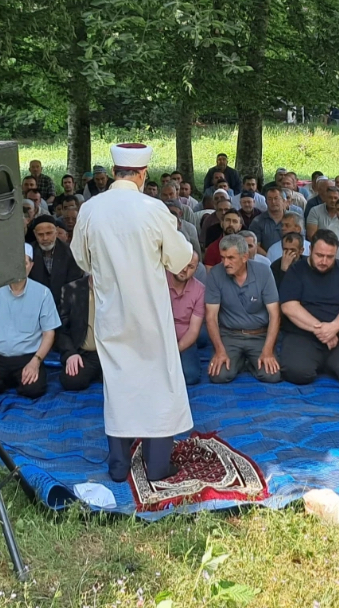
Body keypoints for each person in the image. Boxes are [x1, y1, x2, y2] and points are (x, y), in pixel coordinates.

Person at [70, 143, 197, 482]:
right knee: (159, 385)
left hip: (111, 312)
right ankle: (158, 466)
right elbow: (180, 258)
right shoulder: (153, 209)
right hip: (151, 314)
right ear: (142, 174)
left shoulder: (90, 209)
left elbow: (81, 259)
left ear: (114, 172)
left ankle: (118, 465)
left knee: (118, 386)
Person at [277, 230, 339, 387]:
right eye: (319, 255)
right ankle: (324, 362)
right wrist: (321, 330)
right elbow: (288, 306)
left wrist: (334, 327)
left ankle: (330, 363)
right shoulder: (296, 271)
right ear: (310, 250)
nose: (324, 261)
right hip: (303, 334)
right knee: (297, 373)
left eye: (330, 257)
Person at [0, 244, 60, 399]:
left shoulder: (43, 293)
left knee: (34, 390)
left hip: (28, 357)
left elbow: (49, 333)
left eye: (24, 263)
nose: (18, 269)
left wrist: (35, 362)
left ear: (31, 266)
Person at [205, 235, 281, 384]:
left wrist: (268, 351)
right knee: (219, 376)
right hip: (229, 335)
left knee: (271, 376)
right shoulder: (215, 274)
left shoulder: (264, 272)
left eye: (231, 258)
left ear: (245, 257)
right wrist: (219, 350)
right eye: (223, 258)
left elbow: (275, 315)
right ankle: (240, 361)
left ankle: (246, 362)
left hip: (259, 335)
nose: (225, 263)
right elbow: (211, 317)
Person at [27, 214, 84, 304]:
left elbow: (74, 283)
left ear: (56, 232)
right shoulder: (28, 253)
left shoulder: (70, 252)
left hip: (64, 303)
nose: (45, 238)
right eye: (40, 234)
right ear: (35, 234)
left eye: (49, 233)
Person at [168, 253, 207, 386]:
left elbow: (193, 331)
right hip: (159, 338)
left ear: (196, 270)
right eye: (182, 263)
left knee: (191, 376)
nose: (185, 269)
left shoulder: (200, 290)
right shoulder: (160, 281)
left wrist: (176, 351)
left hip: (184, 338)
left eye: (190, 267)